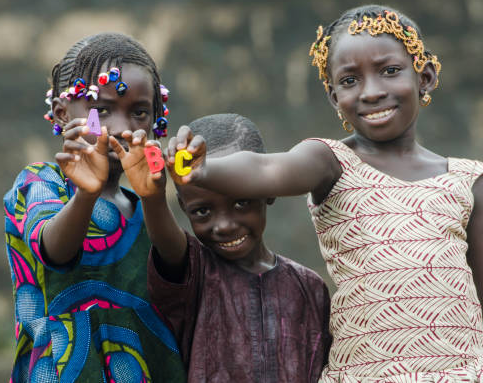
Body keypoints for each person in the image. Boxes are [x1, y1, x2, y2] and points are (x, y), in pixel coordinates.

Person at [166, 5, 483, 381]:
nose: (371, 92)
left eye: (390, 71)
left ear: (425, 76)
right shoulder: (329, 162)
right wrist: (204, 169)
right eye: (350, 80)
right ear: (333, 96)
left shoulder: (464, 181)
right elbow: (267, 168)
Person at [3, 32, 185, 382]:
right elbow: (54, 251)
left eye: (139, 112)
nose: (121, 127)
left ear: (156, 120)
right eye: (101, 110)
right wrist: (86, 195)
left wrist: (154, 197)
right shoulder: (40, 184)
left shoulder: (141, 204)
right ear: (61, 112)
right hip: (65, 368)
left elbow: (177, 268)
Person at [112, 113, 332, 382]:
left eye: (241, 203)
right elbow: (168, 244)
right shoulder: (192, 273)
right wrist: (153, 198)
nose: (224, 225)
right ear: (184, 208)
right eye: (203, 211)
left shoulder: (309, 287)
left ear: (270, 190)